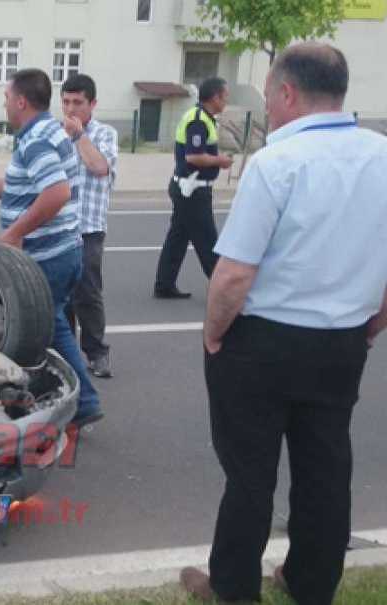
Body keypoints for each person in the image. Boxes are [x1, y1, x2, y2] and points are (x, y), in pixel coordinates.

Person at [180, 43, 387, 605]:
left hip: (262, 343)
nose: (267, 107)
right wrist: (372, 321)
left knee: (249, 476)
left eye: (269, 95)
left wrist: (214, 332)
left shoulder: (277, 162)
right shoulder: (382, 155)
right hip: (342, 343)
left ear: (288, 93)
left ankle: (232, 588)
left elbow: (232, 277)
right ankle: (310, 583)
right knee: (326, 468)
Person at [0, 69, 103, 427]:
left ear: (21, 101)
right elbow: (25, 188)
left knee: (42, 326)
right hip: (64, 251)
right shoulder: (47, 131)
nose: (5, 103)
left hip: (47, 257)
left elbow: (56, 192)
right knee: (53, 326)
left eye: (7, 97)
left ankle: (80, 402)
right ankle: (73, 400)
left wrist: (14, 234)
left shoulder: (37, 139)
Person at [152, 77, 233, 299]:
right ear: (215, 97)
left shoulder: (203, 118)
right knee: (207, 240)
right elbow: (194, 156)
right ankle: (224, 292)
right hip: (193, 190)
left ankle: (164, 284)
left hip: (189, 187)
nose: (226, 101)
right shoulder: (198, 120)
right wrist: (220, 161)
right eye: (225, 97)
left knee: (178, 238)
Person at [60, 74, 118, 378]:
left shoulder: (104, 134)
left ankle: (97, 352)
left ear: (92, 104)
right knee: (62, 294)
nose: (71, 109)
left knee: (88, 292)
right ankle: (67, 354)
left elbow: (98, 167)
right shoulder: (54, 134)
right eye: (66, 102)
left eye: (78, 102)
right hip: (60, 226)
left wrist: (79, 135)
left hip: (89, 227)